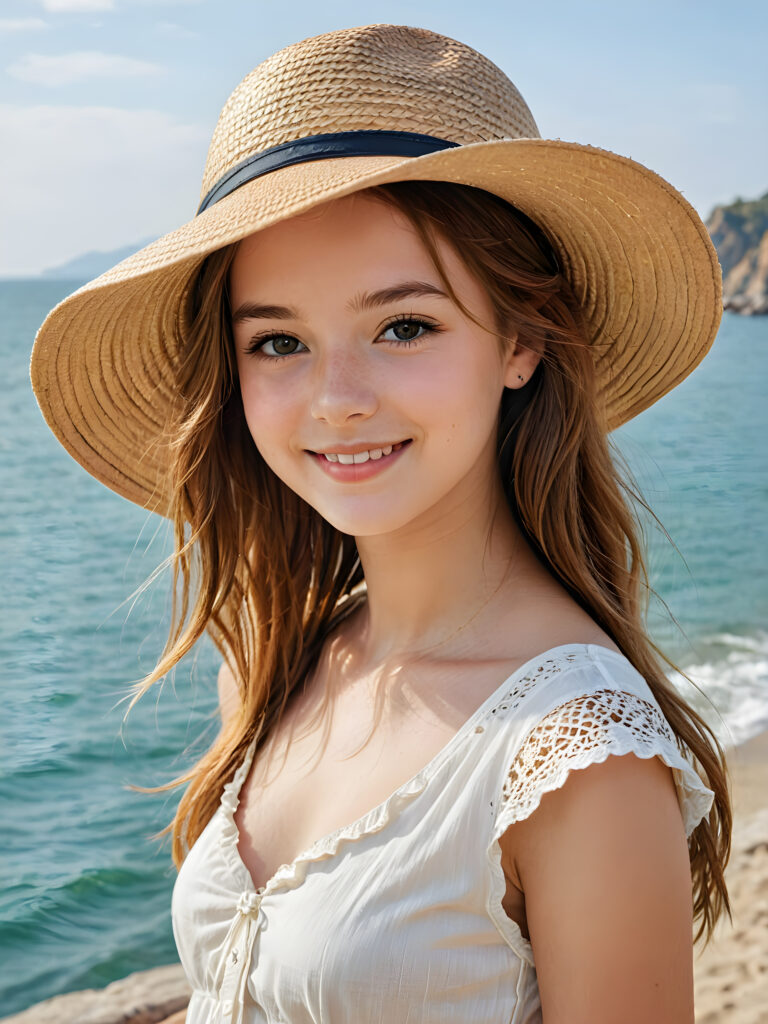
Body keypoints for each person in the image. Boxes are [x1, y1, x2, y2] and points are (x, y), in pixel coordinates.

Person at [31, 23, 732, 1024]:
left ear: (522, 341)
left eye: (404, 325)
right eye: (278, 341)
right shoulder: (282, 660)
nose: (338, 398)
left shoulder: (577, 753)